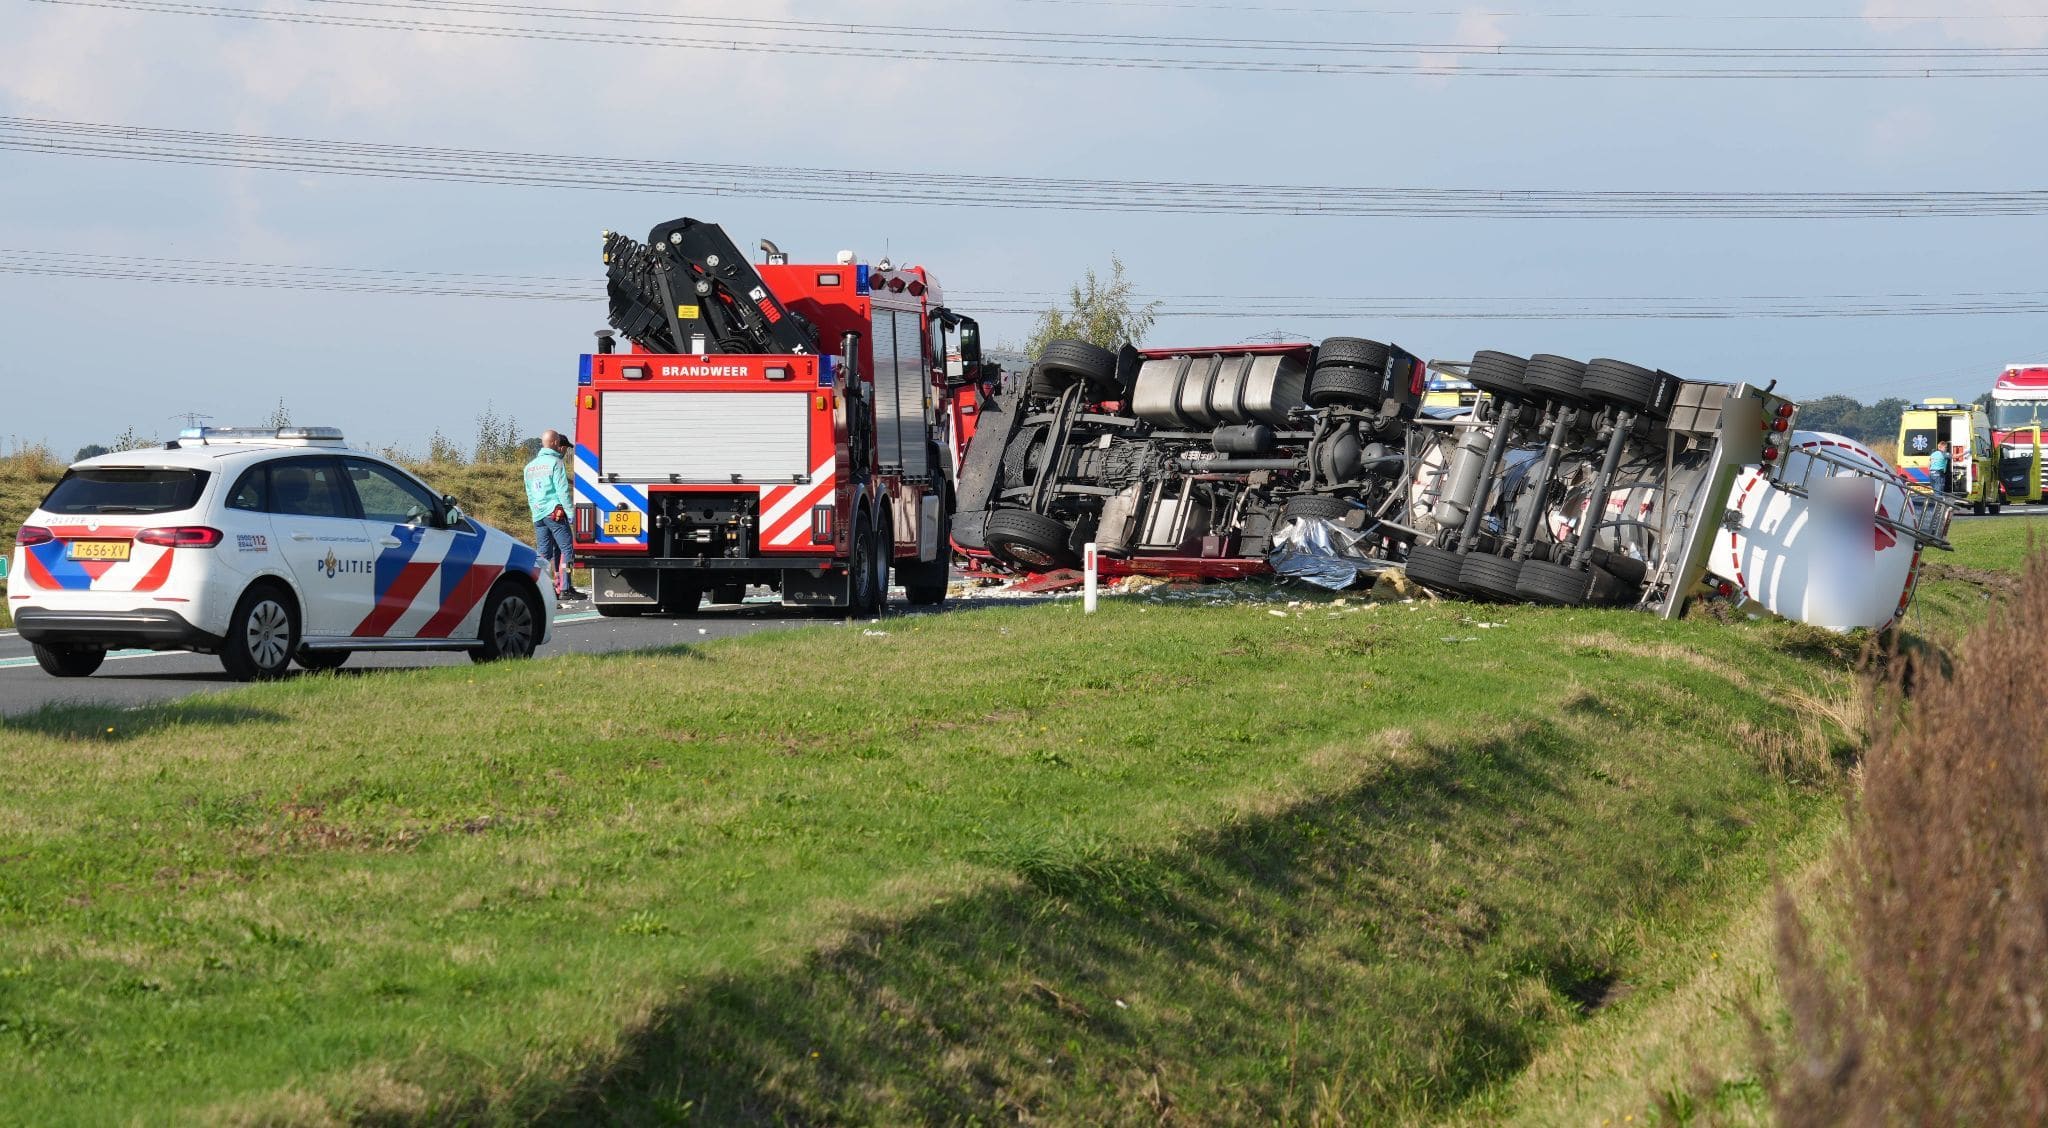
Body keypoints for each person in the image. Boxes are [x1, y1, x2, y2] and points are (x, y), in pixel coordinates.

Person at [524, 429, 583, 601]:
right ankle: (565, 588)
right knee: (567, 549)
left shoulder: (529, 467)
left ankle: (542, 589)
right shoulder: (556, 462)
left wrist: (536, 512)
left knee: (543, 554)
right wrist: (571, 513)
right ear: (555, 443)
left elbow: (529, 493)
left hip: (538, 514)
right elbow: (562, 490)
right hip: (554, 513)